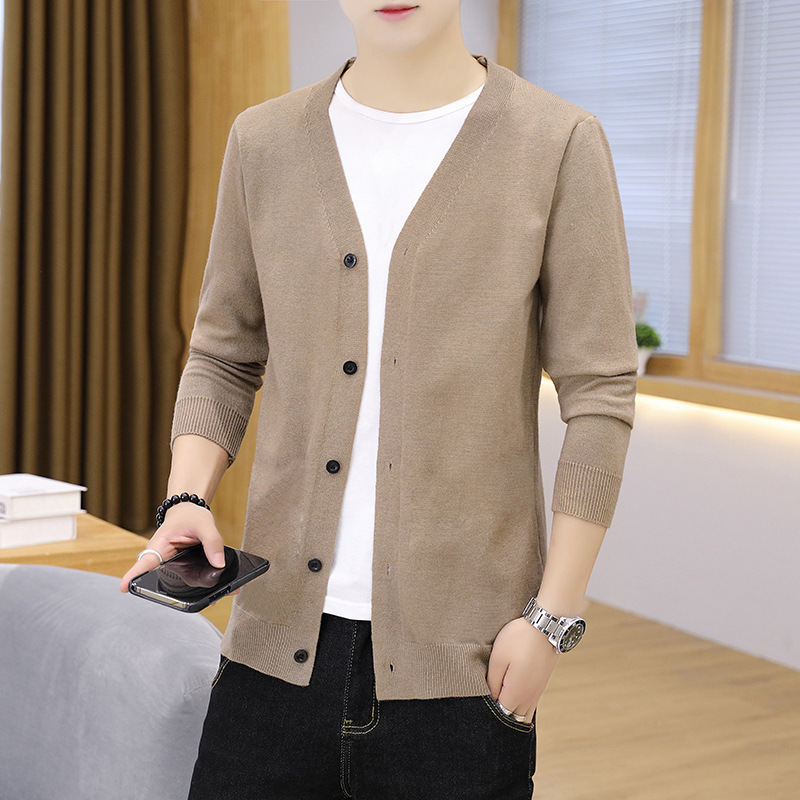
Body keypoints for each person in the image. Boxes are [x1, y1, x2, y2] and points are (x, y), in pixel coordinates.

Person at [119, 1, 638, 798]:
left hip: (465, 673)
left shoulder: (557, 142)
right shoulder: (263, 141)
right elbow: (223, 354)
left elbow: (600, 393)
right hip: (271, 650)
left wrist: (551, 619)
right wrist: (187, 498)